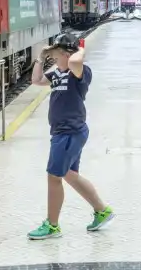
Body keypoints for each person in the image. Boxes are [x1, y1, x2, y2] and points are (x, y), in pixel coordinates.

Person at [27, 33, 114, 240]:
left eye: (56, 53)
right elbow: (36, 80)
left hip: (69, 132)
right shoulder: (57, 73)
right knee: (69, 175)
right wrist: (40, 57)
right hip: (63, 131)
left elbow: (75, 60)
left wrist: (79, 48)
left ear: (66, 53)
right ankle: (102, 211)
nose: (53, 57)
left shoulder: (80, 72)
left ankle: (52, 225)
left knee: (54, 177)